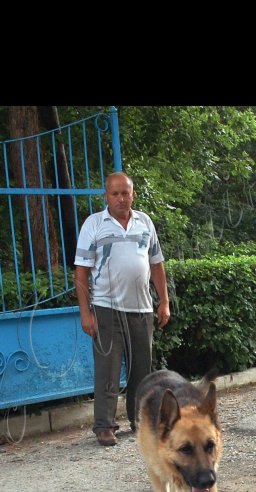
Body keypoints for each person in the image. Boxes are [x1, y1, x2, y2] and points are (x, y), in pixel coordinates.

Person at [75, 172, 171, 446]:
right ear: (106, 196)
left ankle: (140, 420)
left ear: (133, 194)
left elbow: (156, 264)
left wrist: (164, 301)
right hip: (106, 309)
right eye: (114, 193)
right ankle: (105, 426)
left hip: (141, 308)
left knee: (142, 370)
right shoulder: (94, 225)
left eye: (124, 193)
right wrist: (86, 312)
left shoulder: (145, 222)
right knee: (108, 368)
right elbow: (81, 273)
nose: (120, 198)